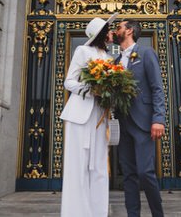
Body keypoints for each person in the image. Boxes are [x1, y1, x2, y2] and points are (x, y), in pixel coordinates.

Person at [59, 14, 118, 216]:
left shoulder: (110, 59)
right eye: (109, 29)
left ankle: (98, 212)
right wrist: (91, 89)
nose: (112, 32)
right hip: (79, 116)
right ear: (102, 33)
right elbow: (69, 82)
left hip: (101, 116)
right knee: (78, 165)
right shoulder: (82, 50)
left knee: (100, 166)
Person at [112, 19, 167, 217]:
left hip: (144, 122)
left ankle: (157, 214)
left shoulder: (146, 53)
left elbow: (157, 88)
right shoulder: (116, 61)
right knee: (129, 175)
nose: (115, 30)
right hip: (123, 123)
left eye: (118, 27)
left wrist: (158, 118)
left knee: (145, 172)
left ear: (129, 31)